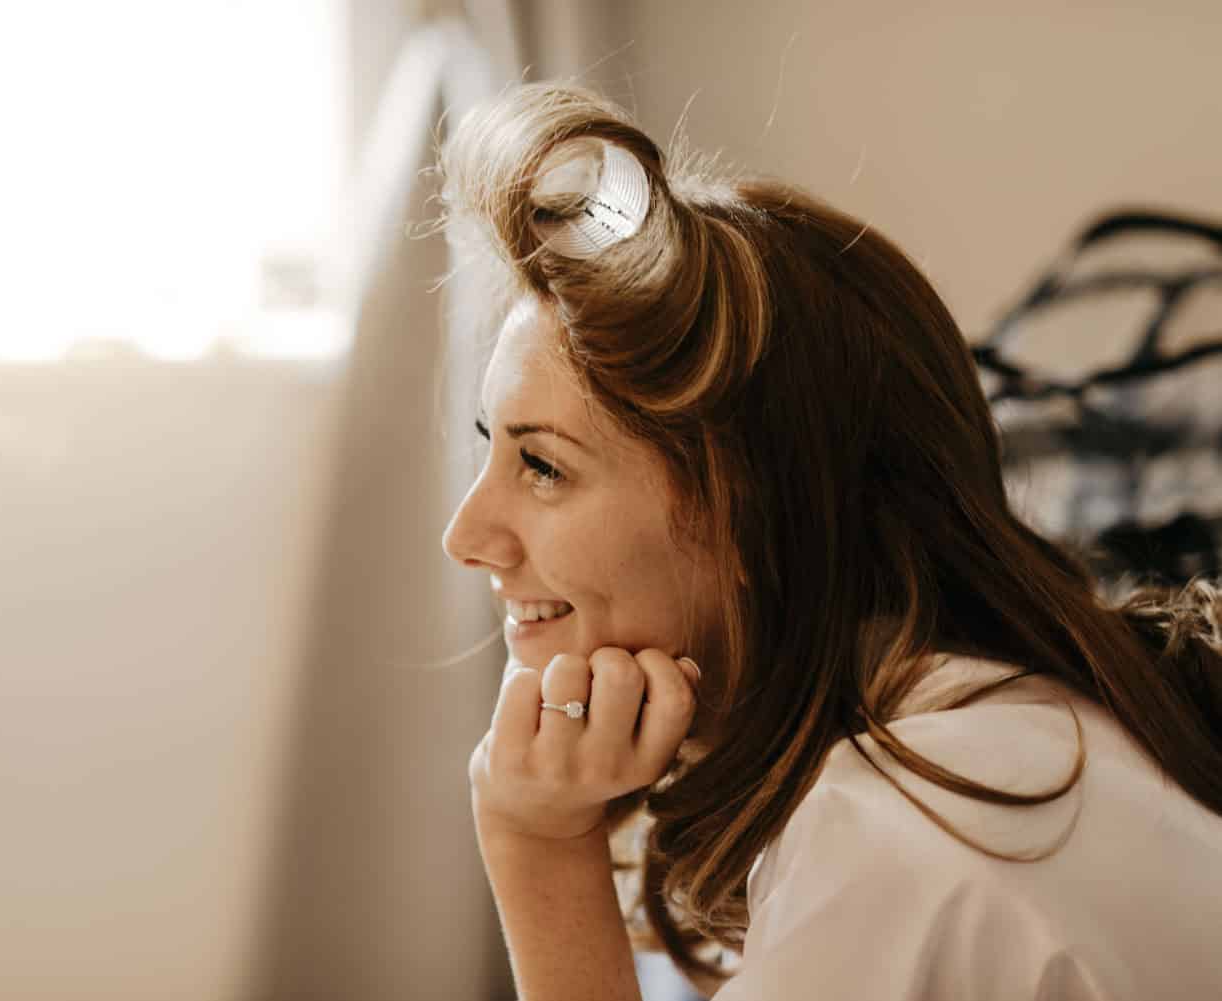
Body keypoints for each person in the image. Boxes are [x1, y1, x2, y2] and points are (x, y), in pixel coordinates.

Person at [436, 81, 1222, 1000]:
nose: (466, 536)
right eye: (493, 449)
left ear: (743, 506)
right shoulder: (1028, 727)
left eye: (543, 468)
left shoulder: (896, 844)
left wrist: (535, 849)